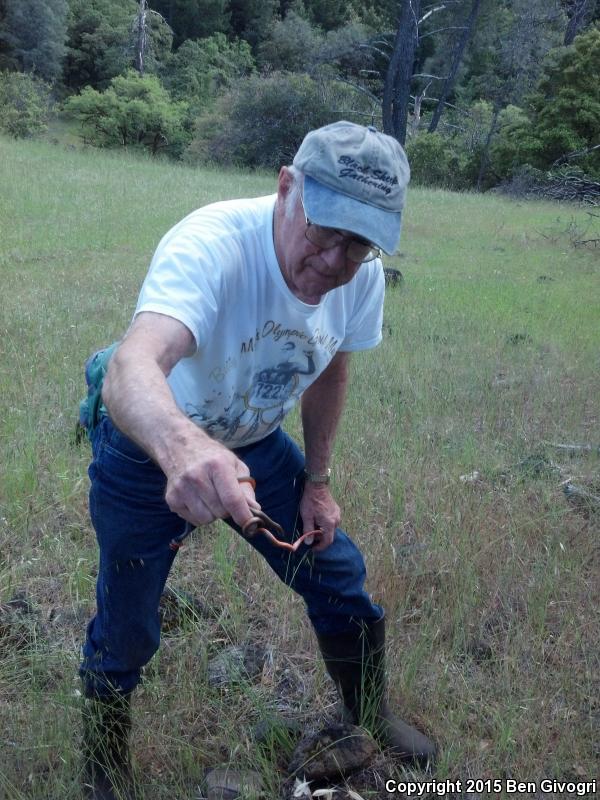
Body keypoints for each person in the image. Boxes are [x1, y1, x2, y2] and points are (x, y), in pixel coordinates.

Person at [79, 121, 436, 799]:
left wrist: (319, 481)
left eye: (359, 243)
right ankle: (102, 761)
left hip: (254, 442)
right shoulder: (212, 244)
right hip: (146, 448)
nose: (334, 260)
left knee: (338, 574)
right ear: (286, 188)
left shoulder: (359, 279)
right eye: (324, 230)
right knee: (128, 618)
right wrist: (184, 450)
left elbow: (330, 371)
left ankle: (366, 715)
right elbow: (133, 364)